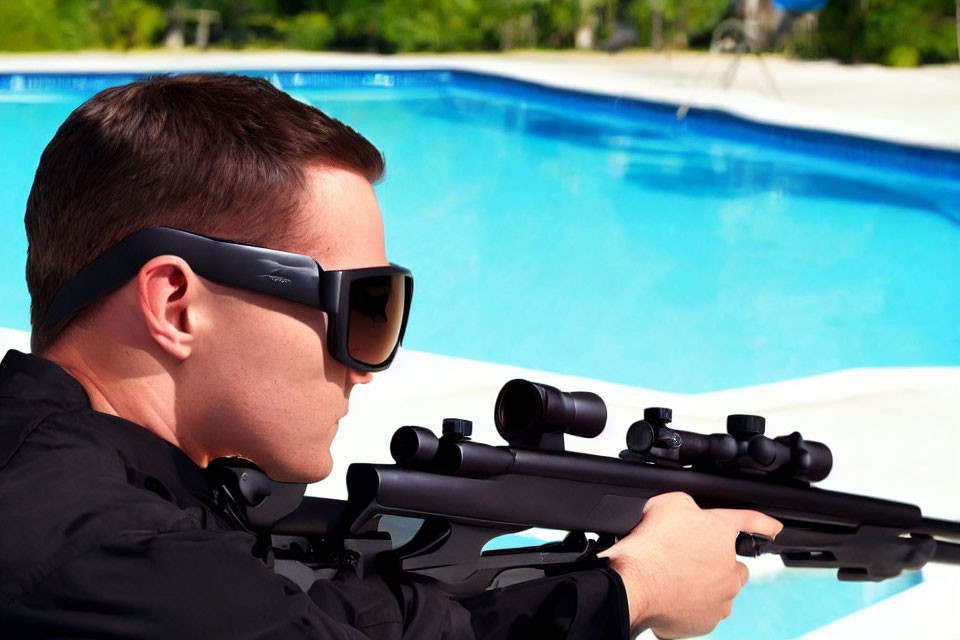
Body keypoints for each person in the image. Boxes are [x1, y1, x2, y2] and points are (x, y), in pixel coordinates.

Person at [0, 73, 782, 639]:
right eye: (362, 308)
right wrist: (633, 589)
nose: (369, 366)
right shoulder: (104, 549)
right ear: (177, 304)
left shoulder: (93, 483)